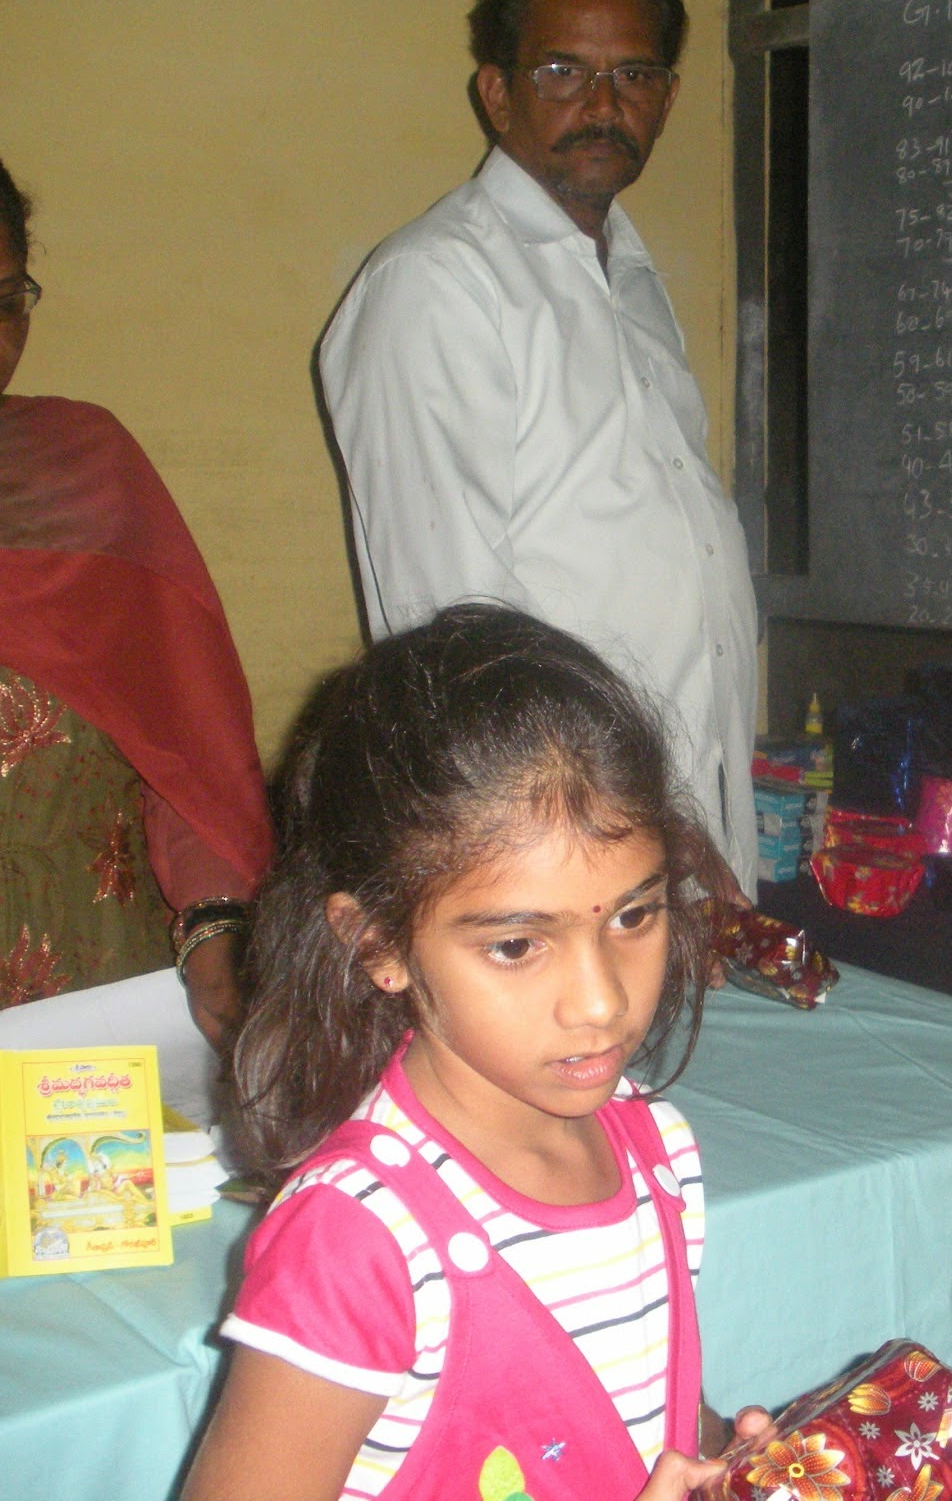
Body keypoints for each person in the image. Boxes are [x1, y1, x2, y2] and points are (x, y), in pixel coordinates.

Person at [184, 604, 770, 1501]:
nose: (602, 1001)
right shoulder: (358, 1240)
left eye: (634, 915)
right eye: (517, 945)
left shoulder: (657, 1147)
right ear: (378, 944)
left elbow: (629, 1414)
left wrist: (724, 1457)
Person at [319, 0, 760, 895]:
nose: (602, 105)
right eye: (563, 72)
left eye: (633, 75)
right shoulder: (439, 284)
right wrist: (655, 828)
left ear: (668, 97)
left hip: (680, 833)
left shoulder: (632, 280)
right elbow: (455, 628)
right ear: (497, 94)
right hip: (555, 847)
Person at [0, 116, 271, 1096]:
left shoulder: (89, 467)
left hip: (90, 998)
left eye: (3, 303)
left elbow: (187, 755)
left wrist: (217, 926)